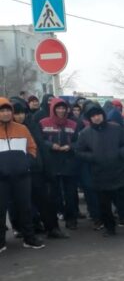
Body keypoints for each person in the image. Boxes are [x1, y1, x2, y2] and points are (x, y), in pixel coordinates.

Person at [75, 102, 124, 237]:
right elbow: (78, 151)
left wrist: (120, 154)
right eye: (93, 116)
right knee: (104, 205)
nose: (96, 118)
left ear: (103, 114)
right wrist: (93, 157)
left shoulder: (116, 128)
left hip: (120, 172)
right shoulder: (85, 133)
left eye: (98, 114)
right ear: (89, 118)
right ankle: (109, 228)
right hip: (100, 174)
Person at [11, 98, 68, 239]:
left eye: (22, 113)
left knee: (44, 201)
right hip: (17, 172)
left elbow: (41, 147)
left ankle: (52, 228)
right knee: (22, 204)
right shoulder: (7, 129)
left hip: (36, 169)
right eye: (16, 113)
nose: (20, 116)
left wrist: (47, 169)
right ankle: (28, 229)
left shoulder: (32, 125)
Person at [0, 98, 46, 250]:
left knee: (25, 208)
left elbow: (32, 147)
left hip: (22, 176)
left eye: (8, 110)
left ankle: (29, 238)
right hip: (1, 179)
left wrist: (26, 162)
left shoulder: (22, 129)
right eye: (2, 110)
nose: (5, 113)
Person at [39, 97, 80, 230]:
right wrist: (51, 145)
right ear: (53, 109)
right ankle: (56, 216)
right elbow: (39, 140)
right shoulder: (43, 123)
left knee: (71, 193)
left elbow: (79, 141)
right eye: (58, 108)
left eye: (63, 108)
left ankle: (71, 218)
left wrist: (70, 146)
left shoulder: (73, 124)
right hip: (52, 162)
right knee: (54, 194)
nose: (61, 110)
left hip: (69, 162)